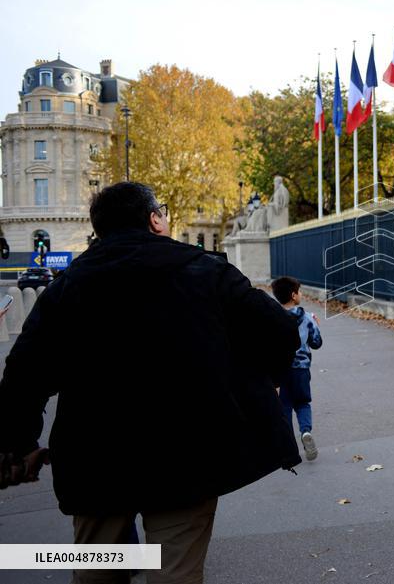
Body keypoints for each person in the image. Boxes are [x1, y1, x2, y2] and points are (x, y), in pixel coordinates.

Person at [0, 181, 301, 584]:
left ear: (99, 231)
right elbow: (279, 333)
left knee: (98, 572)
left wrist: (20, 446)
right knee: (175, 571)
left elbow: (24, 375)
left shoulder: (66, 286)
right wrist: (254, 382)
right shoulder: (207, 270)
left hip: (95, 457)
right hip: (187, 452)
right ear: (155, 219)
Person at [270, 276, 323, 461]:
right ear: (294, 295)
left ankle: (289, 448)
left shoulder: (273, 318)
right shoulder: (307, 318)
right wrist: (315, 325)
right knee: (302, 403)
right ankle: (306, 432)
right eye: (299, 291)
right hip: (301, 370)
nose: (301, 294)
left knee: (284, 407)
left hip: (281, 370)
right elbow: (316, 343)